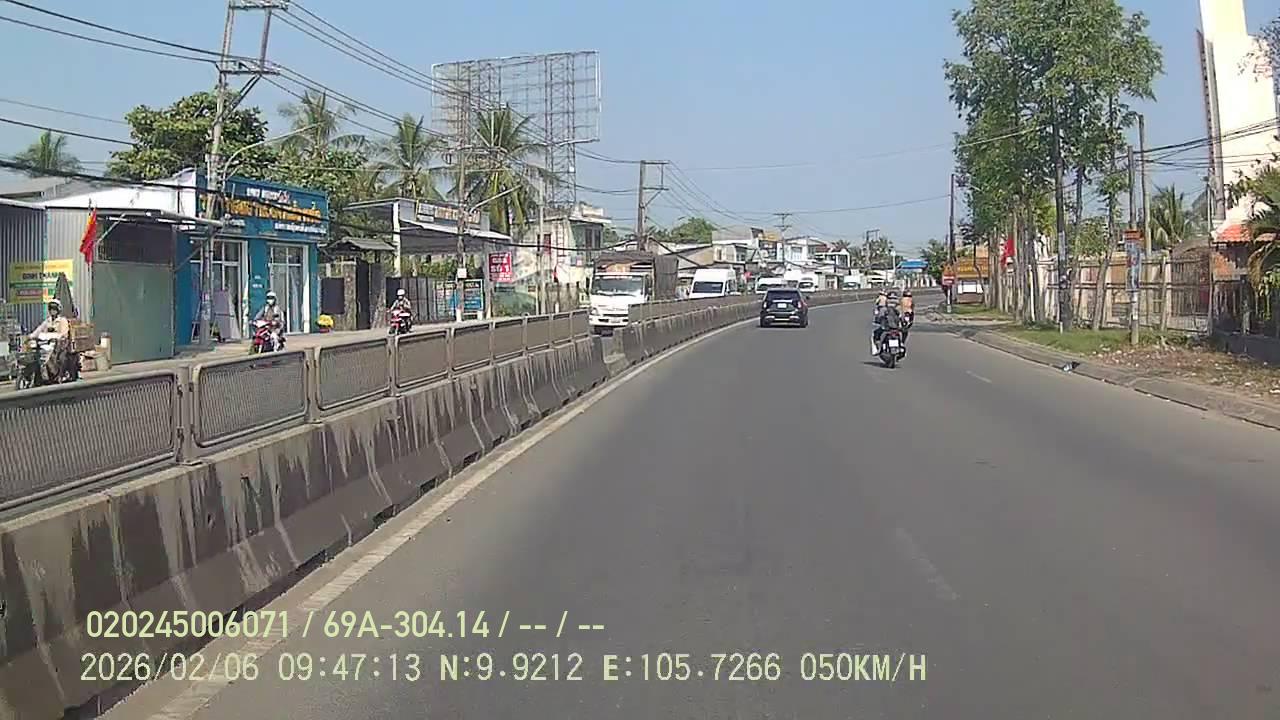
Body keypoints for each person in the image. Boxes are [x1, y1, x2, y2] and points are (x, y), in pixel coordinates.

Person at [29, 298, 71, 380]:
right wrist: (32, 335)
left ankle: (58, 373)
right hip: (47, 344)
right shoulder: (47, 321)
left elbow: (64, 333)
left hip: (59, 344)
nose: (52, 311)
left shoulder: (62, 320)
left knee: (57, 357)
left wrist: (57, 336)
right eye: (51, 309)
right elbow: (39, 329)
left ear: (58, 310)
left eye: (54, 309)